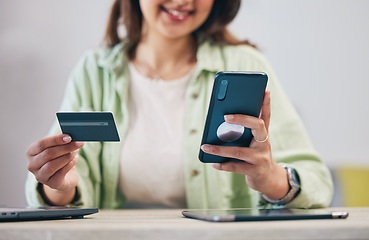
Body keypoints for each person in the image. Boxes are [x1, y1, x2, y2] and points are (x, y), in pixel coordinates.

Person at [25, 0, 333, 209]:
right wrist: (59, 187)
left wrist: (272, 178)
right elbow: (65, 182)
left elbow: (317, 182)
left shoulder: (246, 65)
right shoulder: (95, 71)